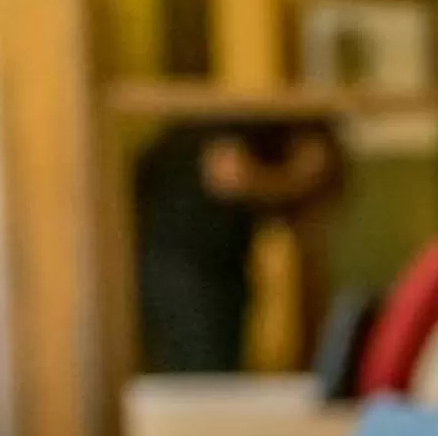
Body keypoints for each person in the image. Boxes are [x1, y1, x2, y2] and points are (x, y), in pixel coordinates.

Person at [131, 121, 343, 374]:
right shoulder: (214, 123)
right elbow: (230, 175)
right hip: (184, 263)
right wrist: (290, 179)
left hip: (222, 262)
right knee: (204, 368)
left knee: (215, 366)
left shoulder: (254, 120)